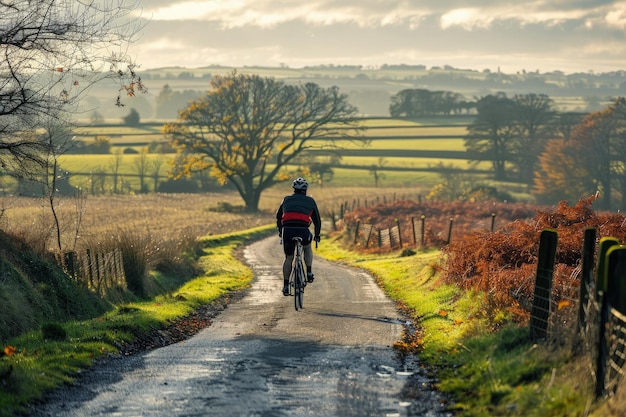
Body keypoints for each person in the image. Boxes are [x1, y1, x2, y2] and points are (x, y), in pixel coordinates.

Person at [276, 177, 321, 296]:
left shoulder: (286, 199)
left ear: (294, 189)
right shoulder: (310, 201)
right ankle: (309, 272)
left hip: (288, 230)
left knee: (289, 258)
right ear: (305, 190)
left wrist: (281, 231)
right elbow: (317, 220)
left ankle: (285, 285)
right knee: (307, 247)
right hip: (303, 230)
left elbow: (278, 216)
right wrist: (317, 235)